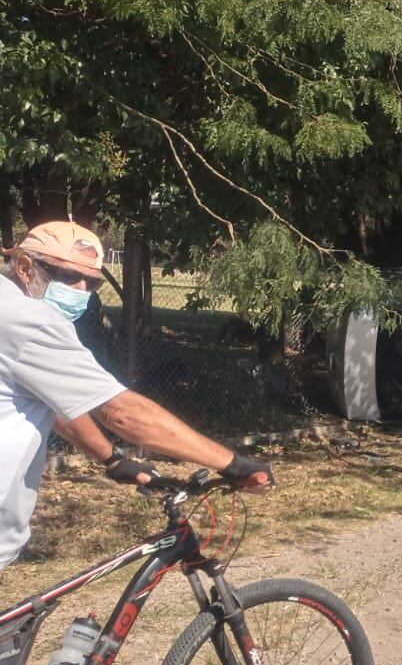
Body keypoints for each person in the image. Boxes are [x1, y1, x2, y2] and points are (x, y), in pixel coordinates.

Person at [1, 222, 274, 573]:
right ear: (24, 267)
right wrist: (232, 463)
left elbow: (48, 401)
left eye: (92, 282)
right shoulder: (31, 322)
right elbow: (124, 414)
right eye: (69, 277)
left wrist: (112, 460)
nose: (82, 290)